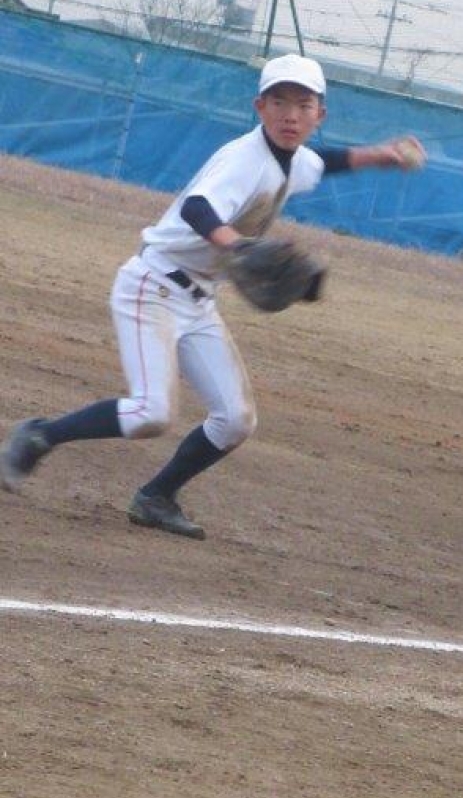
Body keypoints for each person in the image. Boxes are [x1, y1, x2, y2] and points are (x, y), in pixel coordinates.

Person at [0, 53, 425, 540]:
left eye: (302, 105)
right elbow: (198, 207)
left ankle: (156, 497)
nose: (290, 115)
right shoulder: (245, 159)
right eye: (279, 102)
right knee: (152, 413)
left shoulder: (292, 158)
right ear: (259, 107)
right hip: (152, 287)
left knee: (236, 419)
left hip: (198, 300)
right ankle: (40, 436)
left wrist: (380, 155)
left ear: (319, 115)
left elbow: (322, 163)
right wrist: (237, 245)